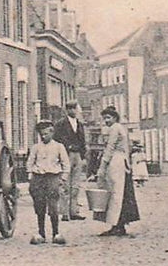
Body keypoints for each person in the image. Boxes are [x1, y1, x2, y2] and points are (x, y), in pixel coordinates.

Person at [95, 106, 140, 237]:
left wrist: (102, 166)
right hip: (122, 162)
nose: (106, 121)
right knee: (122, 193)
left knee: (115, 193)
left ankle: (116, 224)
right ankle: (119, 224)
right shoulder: (121, 128)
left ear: (114, 118)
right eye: (104, 119)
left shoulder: (115, 128)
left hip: (116, 162)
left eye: (108, 118)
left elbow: (110, 148)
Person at [27, 121, 70, 245]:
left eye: (45, 134)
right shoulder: (36, 147)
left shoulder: (58, 147)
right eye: (41, 134)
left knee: (53, 206)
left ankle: (56, 233)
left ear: (52, 132)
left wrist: (63, 178)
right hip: (38, 177)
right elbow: (30, 161)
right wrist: (30, 174)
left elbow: (65, 163)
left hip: (53, 177)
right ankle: (41, 233)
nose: (43, 136)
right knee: (39, 206)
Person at [53, 101, 88, 221]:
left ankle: (74, 211)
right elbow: (57, 140)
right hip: (66, 155)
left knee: (76, 185)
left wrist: (83, 156)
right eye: (71, 109)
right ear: (67, 110)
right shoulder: (60, 124)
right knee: (65, 185)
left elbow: (83, 141)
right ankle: (64, 212)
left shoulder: (80, 124)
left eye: (75, 109)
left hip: (77, 155)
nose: (74, 111)